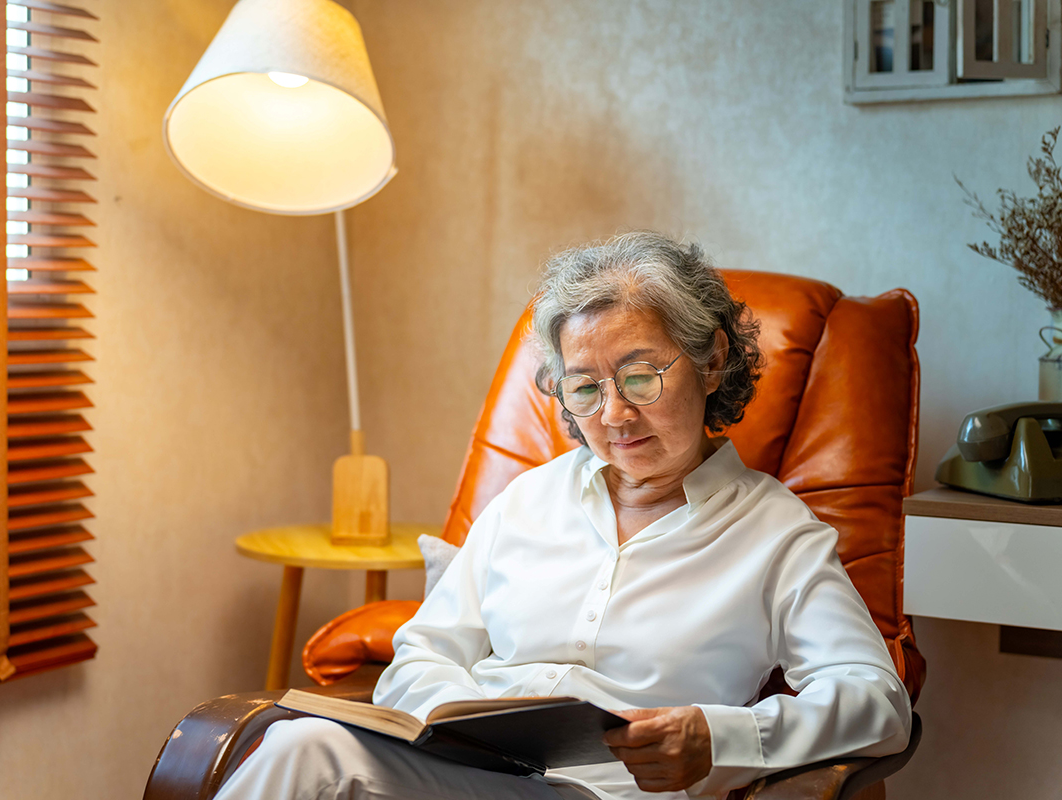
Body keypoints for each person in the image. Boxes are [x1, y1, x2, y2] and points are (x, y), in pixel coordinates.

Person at [216, 231, 912, 800]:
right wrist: (453, 722)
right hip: (465, 777)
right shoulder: (529, 499)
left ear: (711, 358)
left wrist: (720, 736)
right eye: (585, 386)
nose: (614, 414)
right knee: (302, 739)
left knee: (308, 755)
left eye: (641, 375)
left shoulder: (774, 533)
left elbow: (878, 700)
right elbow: (427, 650)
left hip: (610, 794)